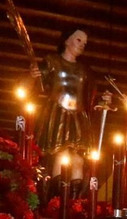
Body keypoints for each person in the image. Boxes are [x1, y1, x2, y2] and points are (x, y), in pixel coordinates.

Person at [30, 25, 91, 161]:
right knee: (60, 156)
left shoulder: (83, 69)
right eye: (79, 40)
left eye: (84, 43)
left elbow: (89, 94)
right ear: (67, 40)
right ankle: (57, 182)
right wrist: (34, 74)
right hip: (56, 113)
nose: (82, 45)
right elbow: (38, 83)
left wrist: (103, 101)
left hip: (77, 116)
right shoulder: (53, 61)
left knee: (77, 160)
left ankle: (76, 182)